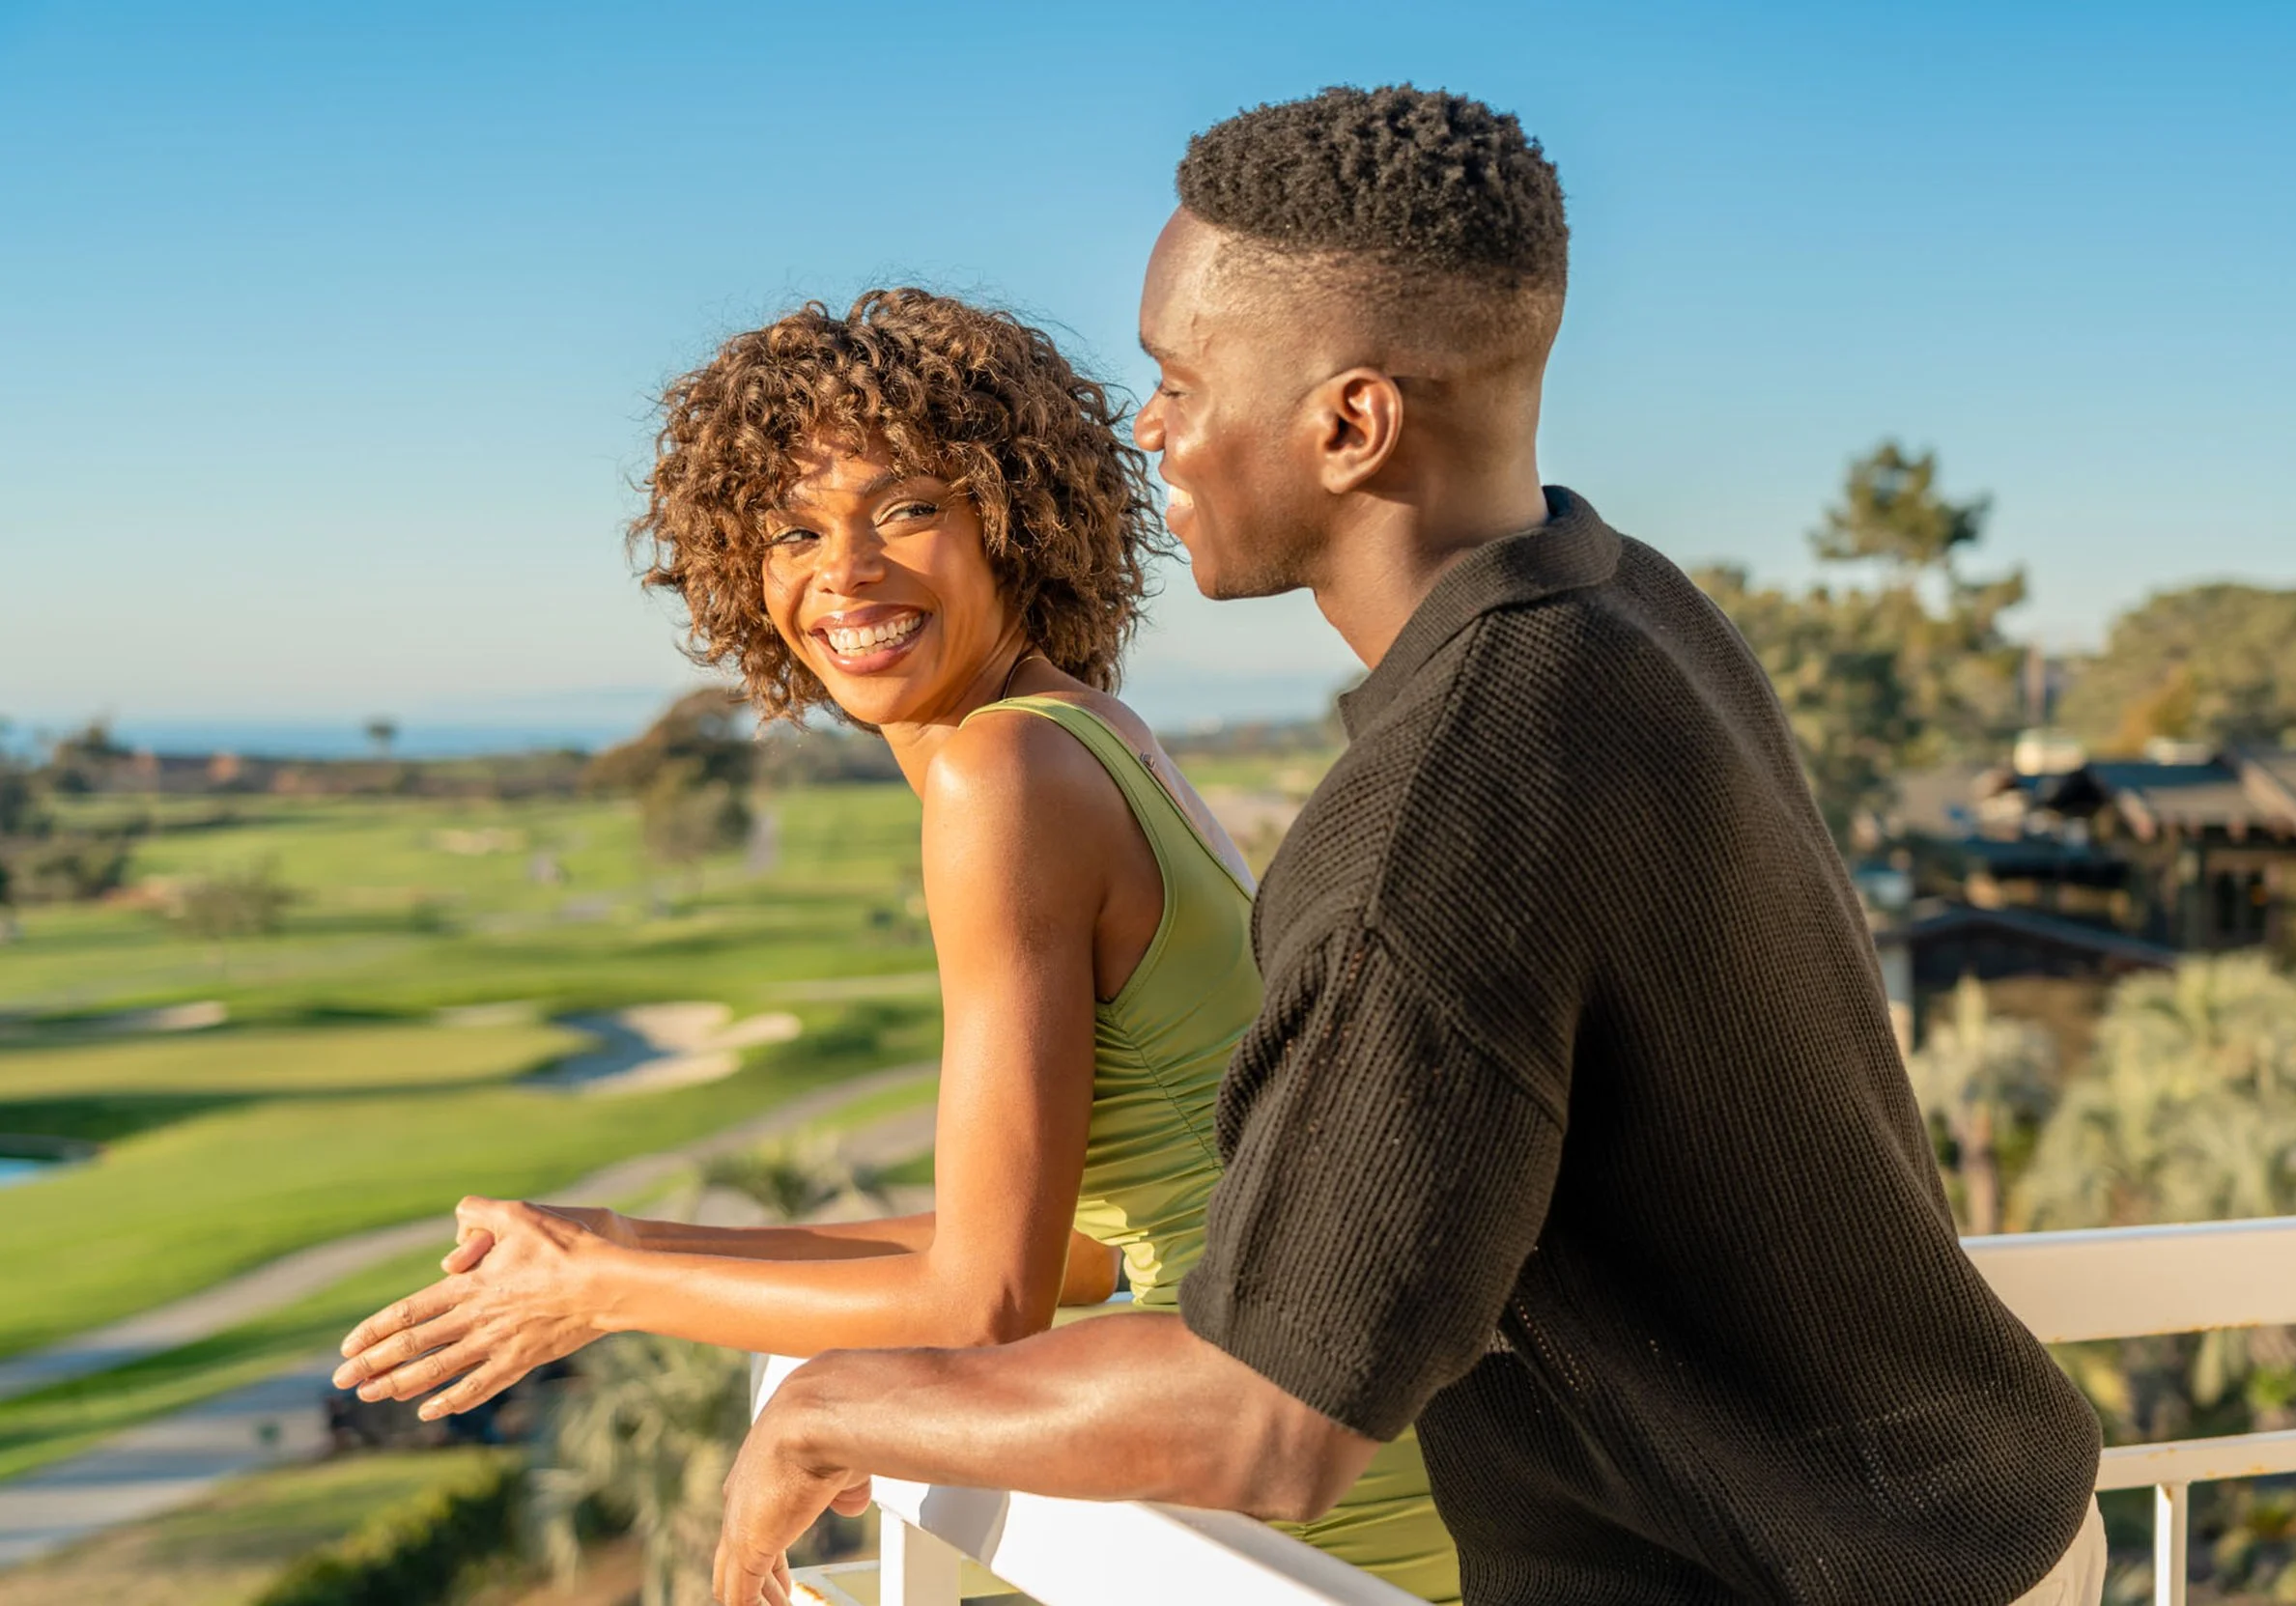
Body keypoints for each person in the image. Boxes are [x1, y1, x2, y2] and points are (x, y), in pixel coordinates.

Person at [714, 87, 2108, 1606]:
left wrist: (824, 1410)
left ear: (1351, 425)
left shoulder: (1433, 828)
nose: (1150, 426)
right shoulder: (1630, 610)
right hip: (1982, 1524)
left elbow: (1270, 1417)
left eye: (1181, 380)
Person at [327, 288, 1460, 1603]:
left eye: (908, 510)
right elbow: (1080, 1250)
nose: (846, 572)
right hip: (1344, 1468)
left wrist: (603, 1291)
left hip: (1266, 1516)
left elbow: (983, 1307)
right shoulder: (1093, 733)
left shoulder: (1005, 775)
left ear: (1015, 520)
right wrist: (622, 1241)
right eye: (794, 531)